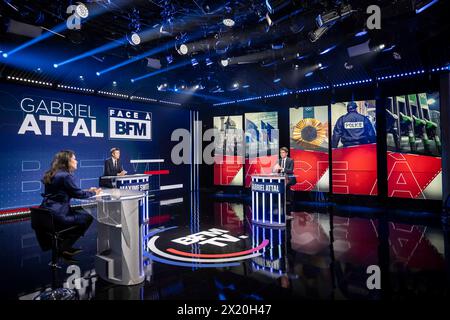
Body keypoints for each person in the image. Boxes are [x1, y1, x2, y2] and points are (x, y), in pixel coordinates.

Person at [40, 150, 101, 261]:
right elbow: (78, 194)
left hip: (45, 213)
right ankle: (63, 248)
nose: (76, 161)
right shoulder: (66, 176)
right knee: (87, 218)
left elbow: (65, 191)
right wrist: (94, 192)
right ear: (67, 161)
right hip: (58, 215)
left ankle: (63, 246)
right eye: (74, 158)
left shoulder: (53, 173)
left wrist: (87, 190)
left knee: (79, 216)